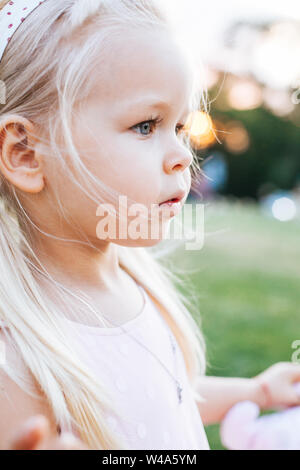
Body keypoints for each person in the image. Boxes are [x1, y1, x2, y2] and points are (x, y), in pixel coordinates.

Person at [0, 0, 299, 451]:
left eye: (179, 126)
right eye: (145, 125)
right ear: (25, 154)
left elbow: (164, 398)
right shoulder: (19, 352)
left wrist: (255, 391)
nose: (183, 153)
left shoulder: (136, 281)